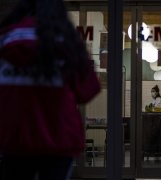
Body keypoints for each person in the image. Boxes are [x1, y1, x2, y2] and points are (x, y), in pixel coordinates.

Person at [0, 0, 101, 179]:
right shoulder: (66, 42)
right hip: (58, 140)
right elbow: (88, 90)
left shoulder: (5, 37)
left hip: (14, 139)